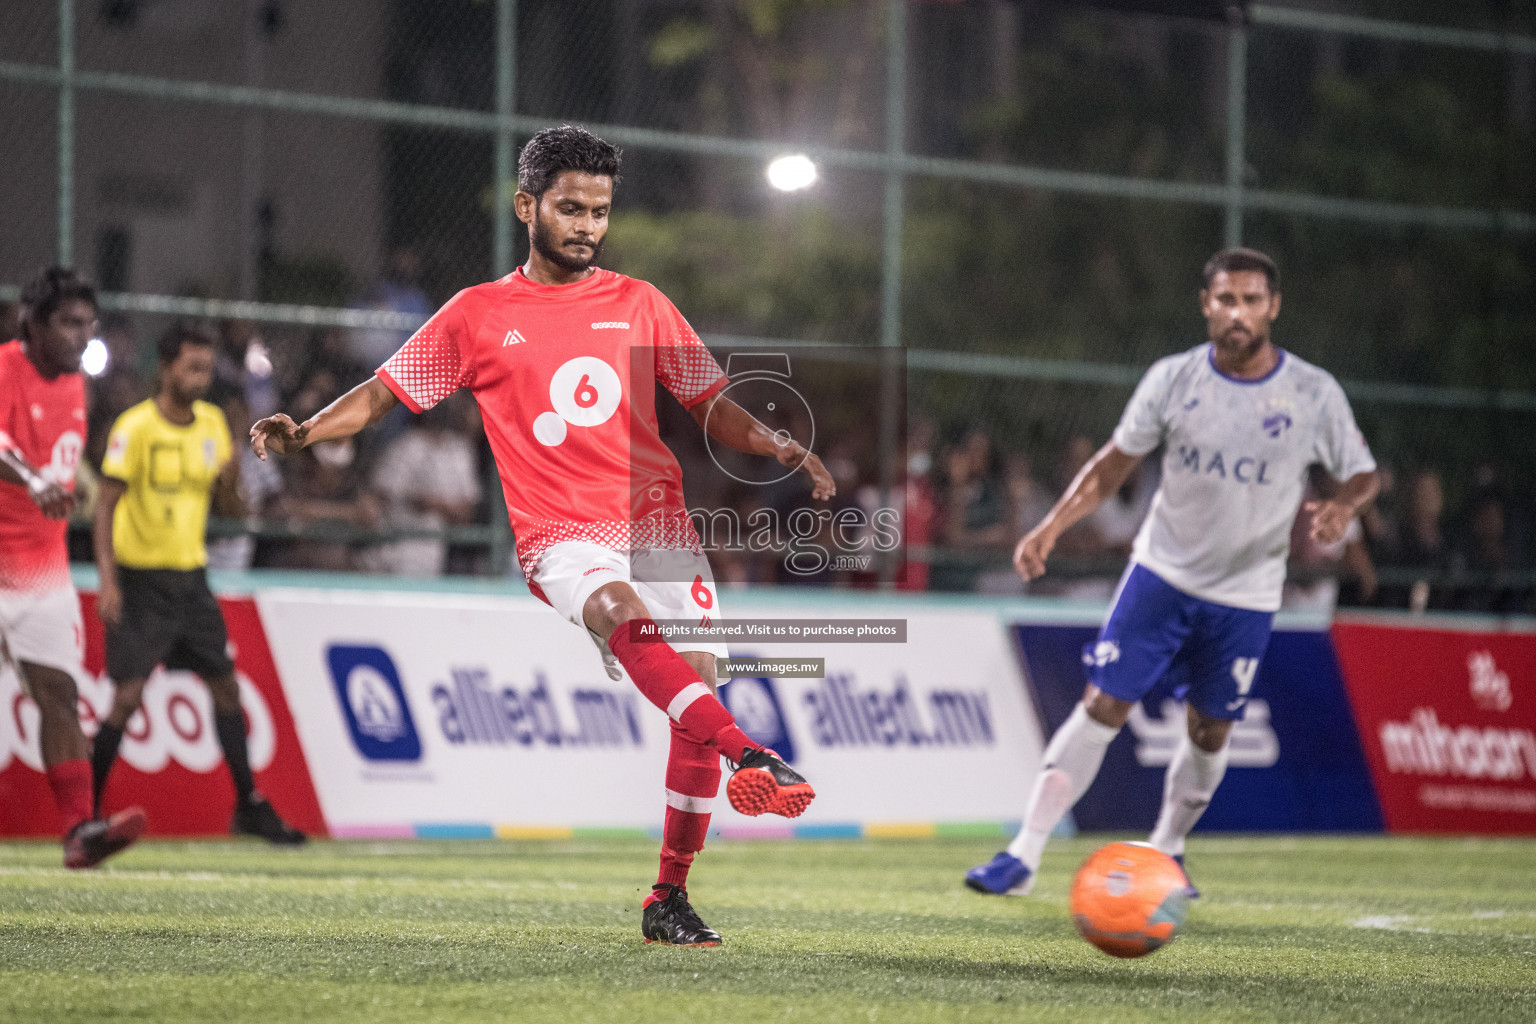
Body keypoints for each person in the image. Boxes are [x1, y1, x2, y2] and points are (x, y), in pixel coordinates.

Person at [251, 125, 829, 945]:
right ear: (528, 207)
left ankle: (668, 897)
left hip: (657, 519)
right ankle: (750, 755)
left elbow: (710, 402)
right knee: (618, 609)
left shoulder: (642, 302)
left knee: (693, 684)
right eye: (570, 208)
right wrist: (308, 430)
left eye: (599, 211)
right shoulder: (478, 315)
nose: (587, 225)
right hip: (561, 532)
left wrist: (772, 441)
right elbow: (383, 395)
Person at [966, 248, 1379, 898]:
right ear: (1206, 304)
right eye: (1224, 299)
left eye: (1249, 300)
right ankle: (1024, 852)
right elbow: (1111, 465)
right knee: (1103, 703)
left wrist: (1344, 506)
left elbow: (1362, 471)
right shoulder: (1174, 379)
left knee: (1211, 727)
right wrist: (1051, 528)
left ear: (1272, 307)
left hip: (1246, 595)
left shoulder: (1312, 392)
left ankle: (1168, 847)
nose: (1236, 312)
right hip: (1161, 574)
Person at [91, 325, 305, 845]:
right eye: (191, 367)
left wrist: (235, 479)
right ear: (164, 368)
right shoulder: (136, 427)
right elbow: (105, 503)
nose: (200, 378)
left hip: (190, 578)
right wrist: (108, 580)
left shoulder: (211, 424)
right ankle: (86, 813)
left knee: (225, 687)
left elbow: (229, 506)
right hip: (141, 581)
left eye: (206, 369)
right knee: (127, 697)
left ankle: (249, 805)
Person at [0, 267, 145, 868]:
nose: (81, 336)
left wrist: (71, 485)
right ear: (32, 321)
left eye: (89, 324)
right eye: (68, 322)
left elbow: (62, 458)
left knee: (58, 697)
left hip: (44, 571)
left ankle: (79, 832)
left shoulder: (73, 386)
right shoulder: (6, 365)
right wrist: (34, 481)